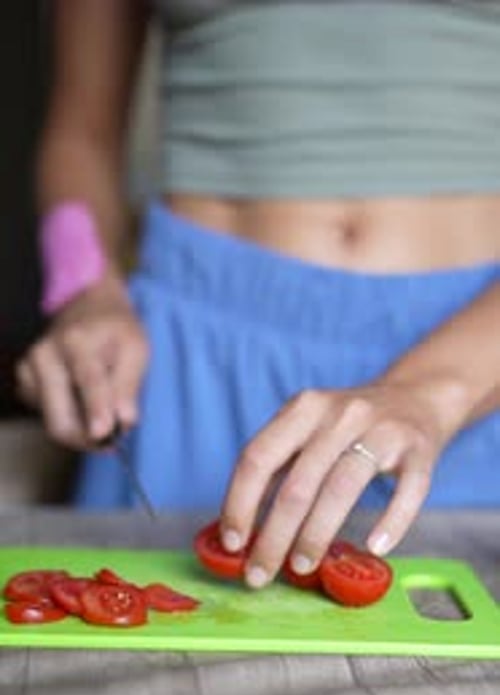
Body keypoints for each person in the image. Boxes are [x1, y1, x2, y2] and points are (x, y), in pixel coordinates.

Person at [17, 0, 500, 589]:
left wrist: (434, 392)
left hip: (476, 362)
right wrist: (85, 292)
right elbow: (80, 136)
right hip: (188, 361)